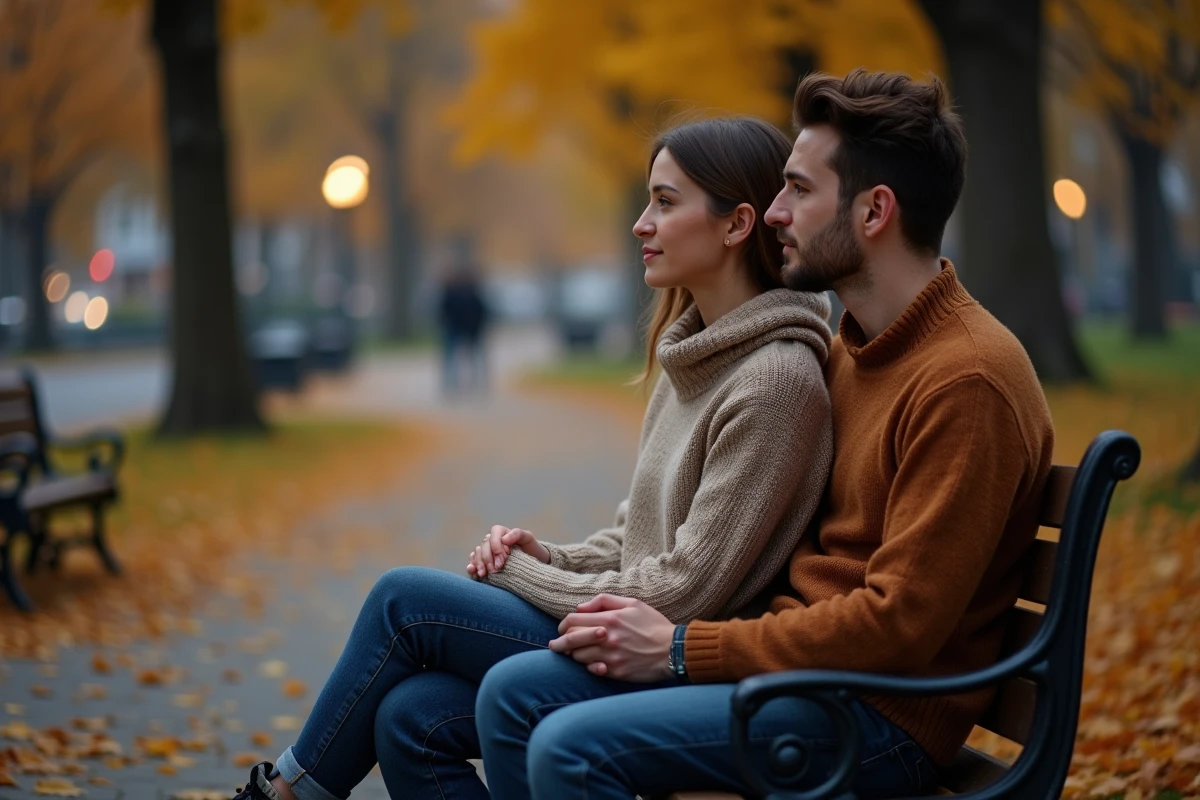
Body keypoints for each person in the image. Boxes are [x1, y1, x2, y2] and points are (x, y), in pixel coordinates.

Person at [474, 69, 1056, 800]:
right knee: (489, 699)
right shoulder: (854, 351)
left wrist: (684, 649)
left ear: (875, 211)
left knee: (566, 745)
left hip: (877, 719)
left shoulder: (966, 379)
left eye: (799, 191)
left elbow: (898, 623)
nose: (775, 214)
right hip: (802, 680)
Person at [229, 116, 836, 800]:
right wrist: (551, 556)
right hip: (627, 623)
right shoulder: (693, 357)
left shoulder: (775, 383)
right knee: (410, 717)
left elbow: (685, 590)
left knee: (403, 601)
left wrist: (519, 575)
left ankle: (283, 793)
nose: (641, 223)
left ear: (736, 224)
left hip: (680, 658)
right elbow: (636, 535)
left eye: (665, 203)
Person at [438, 259, 491, 396]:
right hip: (455, 328)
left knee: (472, 358)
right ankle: (452, 383)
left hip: (470, 329)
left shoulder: (474, 293)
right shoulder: (451, 292)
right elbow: (444, 312)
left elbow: (482, 312)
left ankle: (477, 383)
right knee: (452, 358)